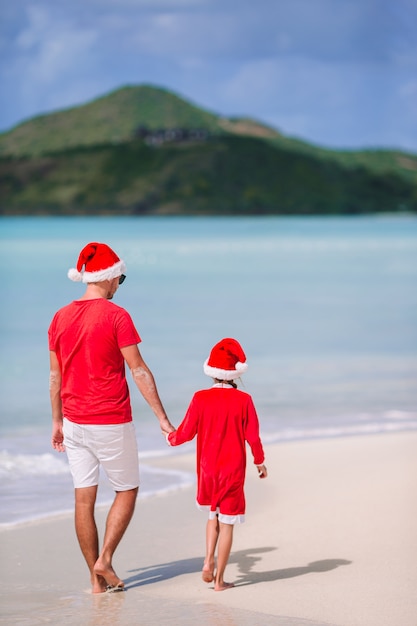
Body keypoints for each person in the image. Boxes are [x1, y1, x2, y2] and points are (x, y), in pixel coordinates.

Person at [48, 242, 174, 594]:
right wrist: (162, 418)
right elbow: (139, 371)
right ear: (110, 276)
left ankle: (94, 581)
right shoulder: (117, 317)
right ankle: (104, 559)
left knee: (83, 499)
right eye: (121, 276)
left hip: (73, 422)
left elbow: (55, 377)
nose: (120, 283)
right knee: (127, 489)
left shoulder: (59, 317)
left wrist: (56, 421)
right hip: (110, 420)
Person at [167, 338, 267, 591]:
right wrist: (259, 462)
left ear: (211, 371)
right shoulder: (244, 400)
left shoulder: (200, 398)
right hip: (232, 470)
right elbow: (252, 436)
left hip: (208, 470)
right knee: (228, 523)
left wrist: (170, 436)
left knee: (212, 515)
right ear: (235, 374)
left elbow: (186, 433)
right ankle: (220, 581)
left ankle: (207, 560)